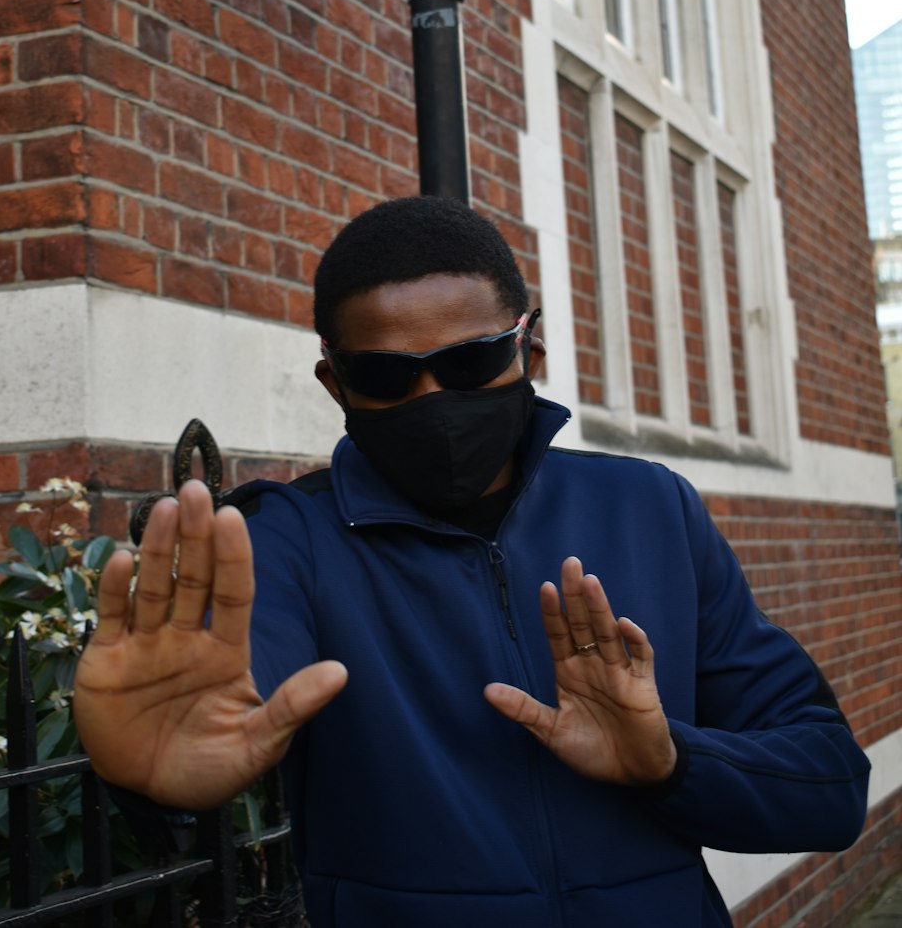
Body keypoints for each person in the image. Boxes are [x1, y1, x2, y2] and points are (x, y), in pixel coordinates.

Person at [75, 196, 870, 927]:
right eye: (385, 374)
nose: (433, 398)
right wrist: (155, 779)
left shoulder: (650, 509)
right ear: (334, 382)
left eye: (469, 363)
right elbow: (232, 680)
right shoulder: (284, 539)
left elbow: (829, 786)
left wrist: (667, 761)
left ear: (530, 347)